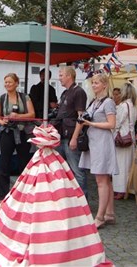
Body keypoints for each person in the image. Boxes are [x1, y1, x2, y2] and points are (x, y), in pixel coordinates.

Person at [70, 73, 117, 229]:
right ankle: (109, 213)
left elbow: (111, 124)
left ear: (104, 85)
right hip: (94, 142)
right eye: (93, 83)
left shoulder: (108, 102)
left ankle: (100, 216)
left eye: (97, 83)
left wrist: (91, 123)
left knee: (101, 180)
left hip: (102, 142)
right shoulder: (94, 101)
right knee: (105, 180)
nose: (94, 85)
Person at [0, 73, 36, 200]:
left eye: (10, 82)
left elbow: (32, 114)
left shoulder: (25, 97)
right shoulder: (1, 98)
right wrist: (2, 122)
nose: (7, 84)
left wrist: (18, 117)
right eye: (6, 82)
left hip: (22, 132)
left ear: (17, 83)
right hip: (7, 132)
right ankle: (3, 195)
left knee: (24, 163)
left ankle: (24, 193)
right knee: (4, 164)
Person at [54, 66, 88, 196]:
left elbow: (81, 117)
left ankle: (82, 202)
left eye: (61, 75)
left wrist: (74, 138)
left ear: (69, 76)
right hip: (62, 136)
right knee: (61, 170)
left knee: (77, 171)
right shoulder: (64, 93)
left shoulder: (78, 92)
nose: (59, 77)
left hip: (71, 138)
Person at [112, 83, 137, 200]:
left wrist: (113, 131)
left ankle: (120, 189)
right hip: (130, 137)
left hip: (122, 137)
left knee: (121, 165)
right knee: (128, 164)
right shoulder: (133, 105)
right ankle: (128, 187)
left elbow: (117, 122)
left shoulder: (123, 105)